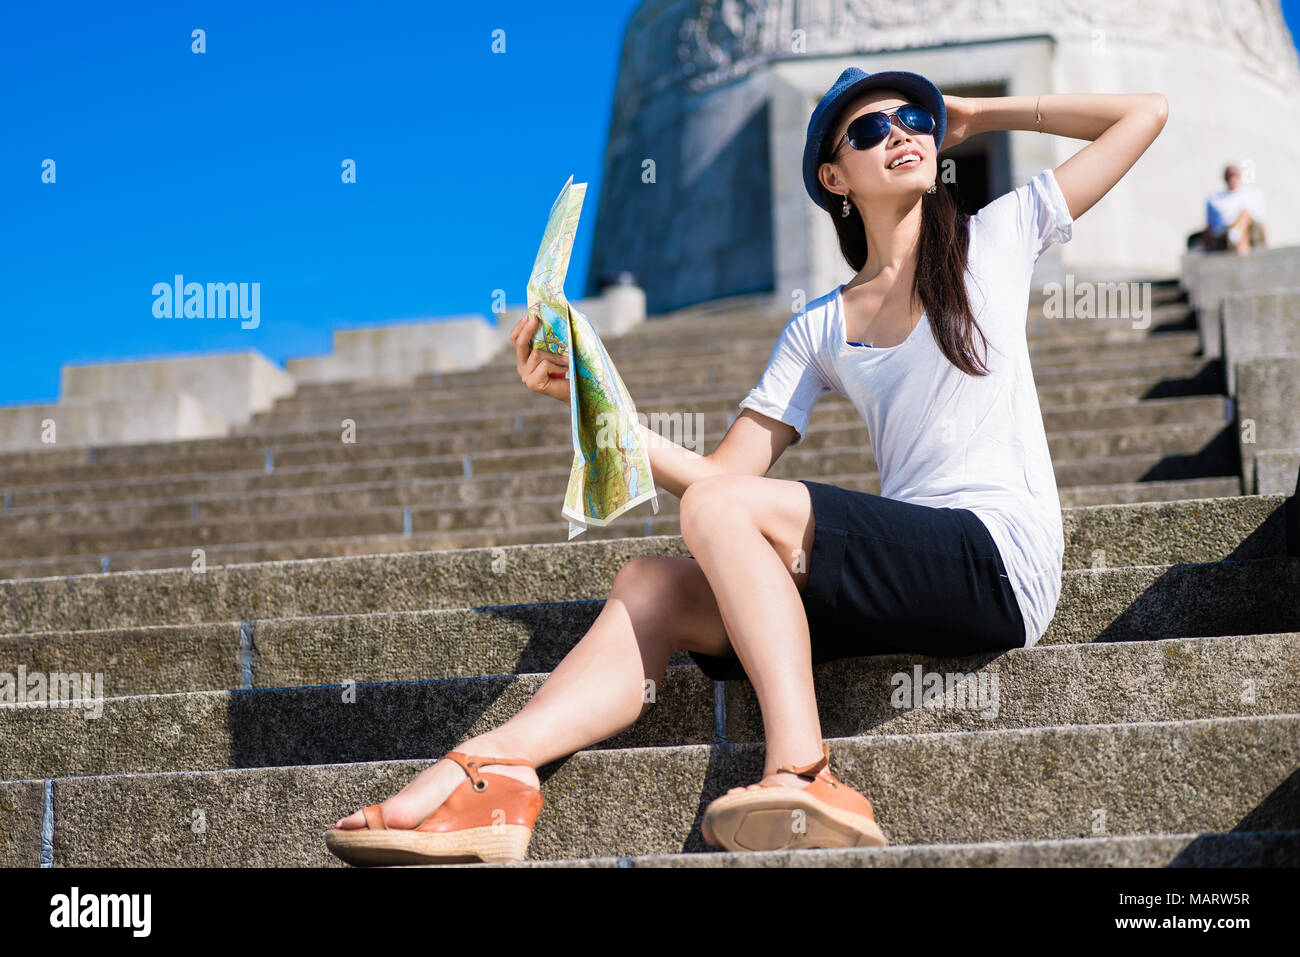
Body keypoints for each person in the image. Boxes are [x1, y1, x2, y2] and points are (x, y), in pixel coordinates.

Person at [324, 69, 1169, 865]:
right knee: (651, 581)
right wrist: (586, 396)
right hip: (914, 579)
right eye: (871, 129)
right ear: (834, 178)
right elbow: (722, 480)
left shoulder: (996, 236)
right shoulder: (819, 326)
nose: (902, 134)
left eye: (914, 119)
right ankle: (490, 775)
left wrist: (978, 113)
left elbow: (1145, 115)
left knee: (723, 516)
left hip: (996, 562)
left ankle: (803, 770)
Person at [1201, 164, 1267, 254]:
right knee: (1239, 232)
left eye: (1234, 174)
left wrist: (1265, 245)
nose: (1232, 178)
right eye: (1229, 175)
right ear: (1224, 178)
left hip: (1247, 231)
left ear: (1239, 177)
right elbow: (1209, 226)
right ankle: (1237, 241)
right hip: (1224, 235)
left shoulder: (1250, 195)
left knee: (1245, 214)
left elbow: (1260, 222)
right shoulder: (1215, 199)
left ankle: (1235, 236)